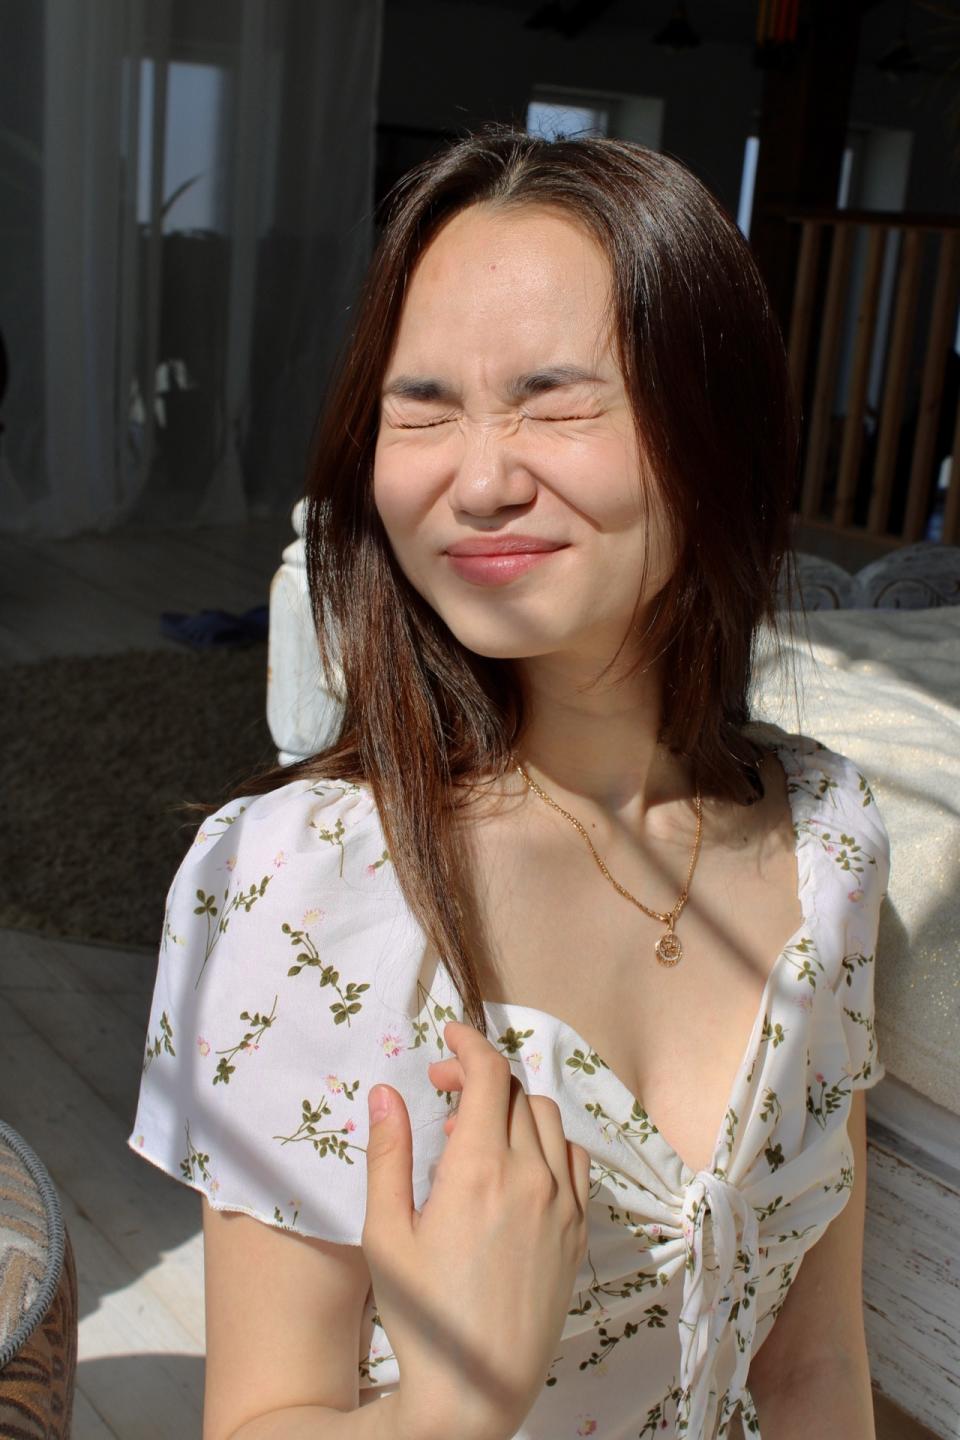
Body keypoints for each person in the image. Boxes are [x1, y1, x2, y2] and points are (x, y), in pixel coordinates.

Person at [127, 128, 890, 1440]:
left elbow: (815, 1368)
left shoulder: (828, 841)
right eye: (422, 408)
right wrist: (453, 1403)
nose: (478, 481)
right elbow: (261, 1416)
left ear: (719, 430)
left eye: (556, 401)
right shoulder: (307, 886)